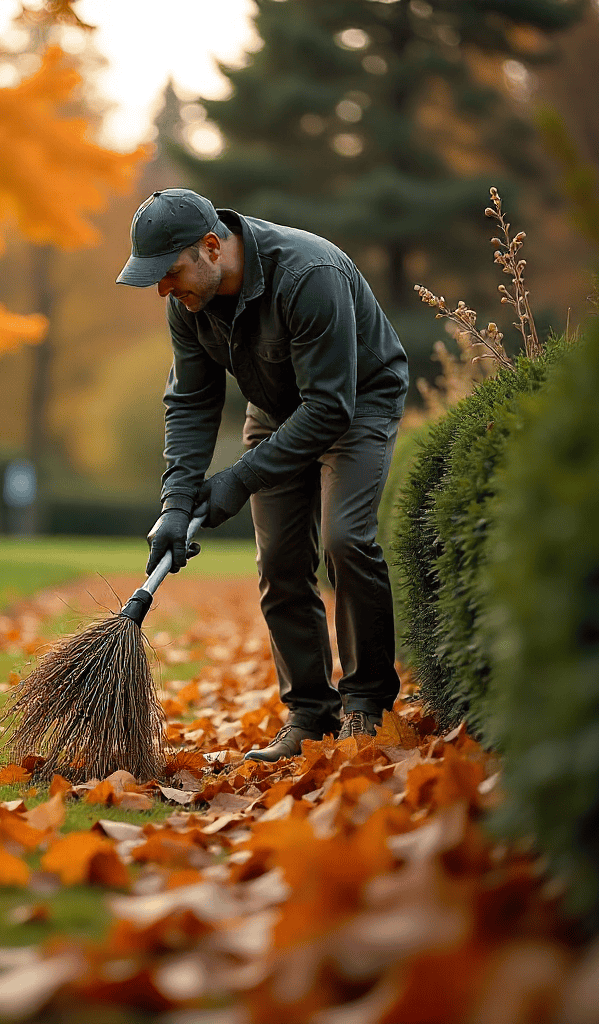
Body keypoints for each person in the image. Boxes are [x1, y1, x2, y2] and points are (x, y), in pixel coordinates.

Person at [116, 188, 409, 761]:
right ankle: (310, 714)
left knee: (346, 539)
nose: (164, 290)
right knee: (279, 560)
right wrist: (176, 504)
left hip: (355, 403)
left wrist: (238, 480)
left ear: (210, 247)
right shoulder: (190, 303)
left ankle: (366, 705)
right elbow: (191, 402)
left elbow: (329, 408)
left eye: (170, 273)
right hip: (275, 410)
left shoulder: (309, 275)